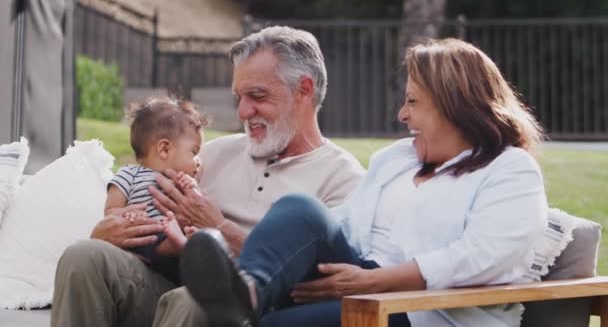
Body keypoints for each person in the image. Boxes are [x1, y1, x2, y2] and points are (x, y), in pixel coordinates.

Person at [179, 38, 549, 327]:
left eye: (413, 102)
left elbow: (483, 256)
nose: (402, 114)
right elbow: (347, 224)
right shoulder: (398, 160)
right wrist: (305, 255)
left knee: (276, 325)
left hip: (427, 311)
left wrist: (375, 282)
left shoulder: (509, 170)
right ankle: (248, 293)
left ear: (455, 106)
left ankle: (245, 311)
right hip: (360, 281)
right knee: (299, 208)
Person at [50, 25, 365, 327]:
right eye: (238, 97)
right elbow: (151, 215)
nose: (243, 112)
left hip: (248, 314)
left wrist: (217, 227)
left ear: (304, 90)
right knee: (84, 256)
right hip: (167, 286)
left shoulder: (342, 178)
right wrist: (113, 231)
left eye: (257, 96)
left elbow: (315, 284)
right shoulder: (211, 155)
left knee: (198, 300)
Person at [104, 97, 204, 281]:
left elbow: (197, 209)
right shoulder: (130, 174)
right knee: (148, 237)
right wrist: (130, 215)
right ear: (165, 149)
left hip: (173, 268)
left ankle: (181, 244)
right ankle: (177, 245)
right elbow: (111, 210)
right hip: (141, 242)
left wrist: (193, 188)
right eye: (194, 152)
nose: (199, 161)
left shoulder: (183, 182)